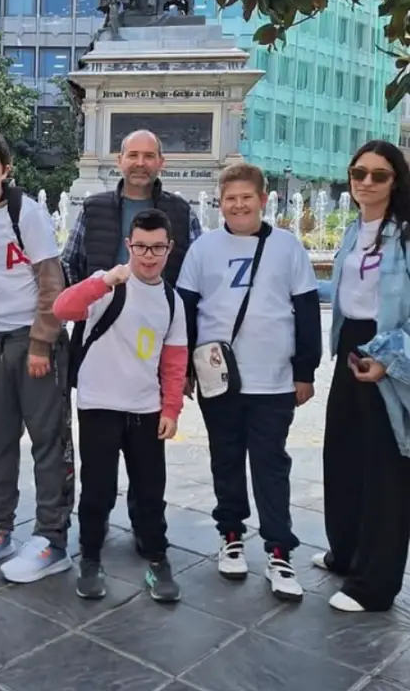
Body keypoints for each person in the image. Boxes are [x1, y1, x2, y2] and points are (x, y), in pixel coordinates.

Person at [176, 163, 321, 602]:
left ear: (262, 199)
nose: (238, 205)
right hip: (220, 378)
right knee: (226, 458)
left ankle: (279, 550)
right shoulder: (203, 249)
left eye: (246, 197)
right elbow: (185, 309)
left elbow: (308, 310)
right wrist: (183, 370)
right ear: (220, 202)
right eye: (230, 198)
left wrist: (305, 370)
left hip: (274, 379)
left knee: (271, 465)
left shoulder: (288, 247)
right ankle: (231, 533)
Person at [62, 128, 201, 555]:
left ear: (161, 162)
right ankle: (95, 526)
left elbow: (193, 282)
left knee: (147, 459)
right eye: (132, 155)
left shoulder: (180, 211)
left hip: (157, 340)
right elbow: (70, 263)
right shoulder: (96, 207)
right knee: (99, 462)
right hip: (104, 339)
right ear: (119, 160)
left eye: (149, 155)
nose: (140, 163)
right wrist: (92, 299)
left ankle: (146, 526)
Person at [0, 127, 74, 583]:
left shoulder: (28, 213)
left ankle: (51, 538)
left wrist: (42, 342)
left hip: (32, 339)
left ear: (6, 169)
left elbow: (51, 280)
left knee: (47, 440)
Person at [53, 209, 188, 602]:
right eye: (142, 247)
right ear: (129, 245)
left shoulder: (171, 300)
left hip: (145, 409)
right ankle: (90, 557)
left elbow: (174, 361)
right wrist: (104, 281)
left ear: (169, 248)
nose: (149, 256)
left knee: (150, 488)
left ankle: (157, 557)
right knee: (98, 489)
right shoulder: (106, 284)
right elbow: (63, 309)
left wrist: (171, 409)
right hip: (99, 404)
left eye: (157, 248)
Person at [316, 141, 410, 613]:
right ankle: (347, 553)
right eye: (359, 173)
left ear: (397, 182)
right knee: (344, 457)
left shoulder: (407, 235)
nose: (366, 182)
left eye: (379, 175)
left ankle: (374, 585)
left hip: (388, 355)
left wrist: (390, 361)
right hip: (351, 350)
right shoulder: (355, 229)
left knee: (386, 474)